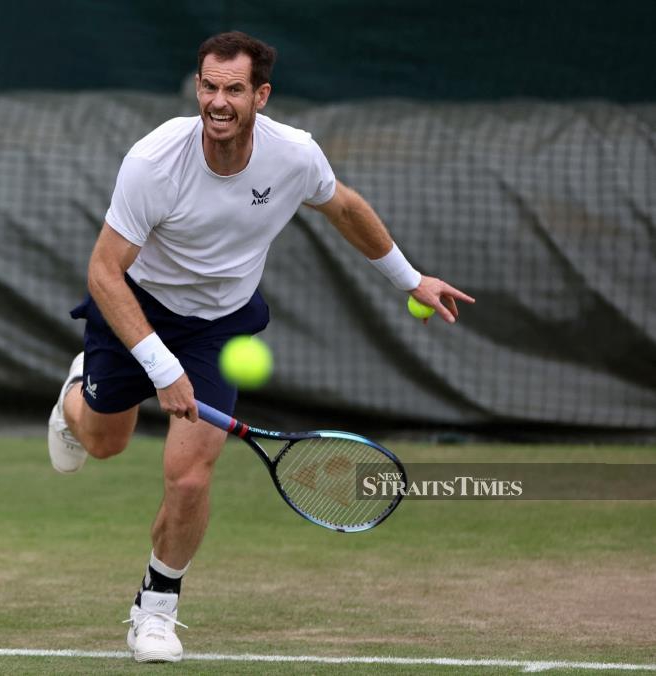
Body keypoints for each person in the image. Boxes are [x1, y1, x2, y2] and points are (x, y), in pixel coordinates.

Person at [48, 31, 474, 663]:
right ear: (198, 87)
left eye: (234, 89)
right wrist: (160, 366)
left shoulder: (293, 156)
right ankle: (74, 399)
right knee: (104, 441)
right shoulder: (153, 160)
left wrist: (412, 280)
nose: (219, 102)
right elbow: (104, 272)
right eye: (209, 87)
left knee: (190, 476)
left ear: (261, 95)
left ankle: (156, 609)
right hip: (135, 308)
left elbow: (345, 208)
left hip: (218, 326)